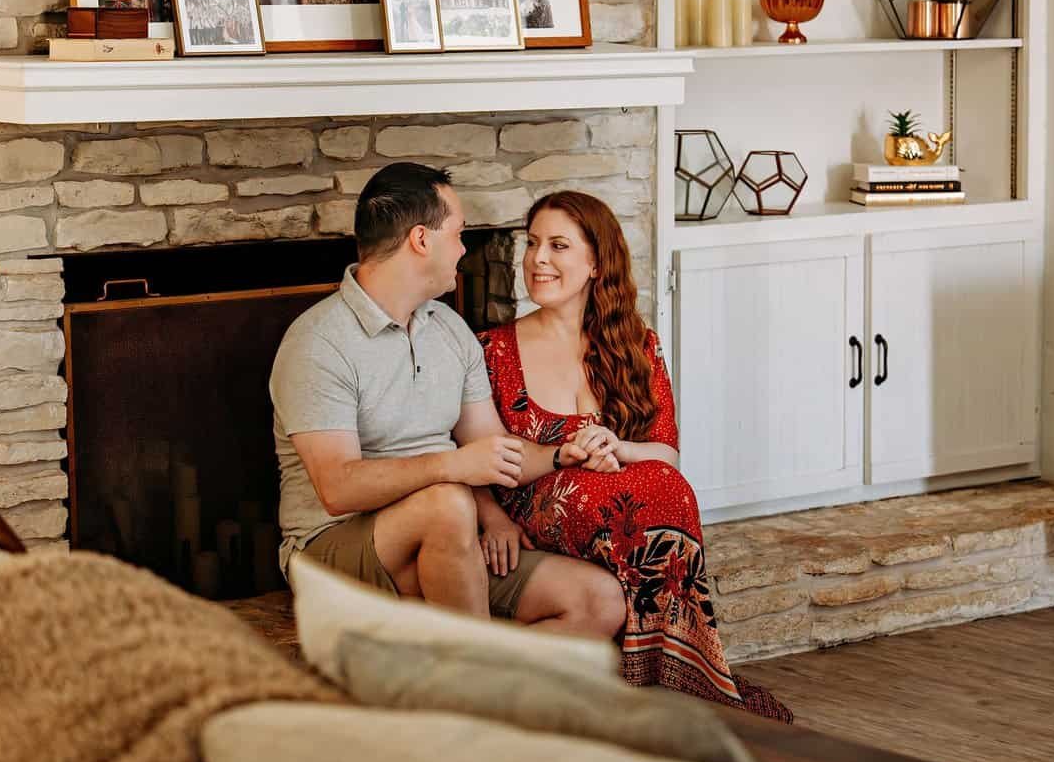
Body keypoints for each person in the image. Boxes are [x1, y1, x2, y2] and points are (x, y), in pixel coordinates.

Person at [270, 163, 625, 637]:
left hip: (447, 536)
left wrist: (562, 455)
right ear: (421, 239)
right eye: (457, 234)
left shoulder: (449, 329)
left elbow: (491, 447)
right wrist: (453, 467)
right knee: (447, 505)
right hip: (333, 549)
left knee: (599, 601)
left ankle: (475, 670)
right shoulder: (319, 342)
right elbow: (338, 489)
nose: (463, 248)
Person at [478, 191, 793, 721]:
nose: (537, 259)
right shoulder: (491, 350)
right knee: (639, 492)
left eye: (558, 245)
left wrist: (615, 447)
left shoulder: (637, 345)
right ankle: (675, 676)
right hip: (531, 506)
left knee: (666, 487)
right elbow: (467, 451)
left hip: (621, 497)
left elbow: (666, 454)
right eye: (532, 244)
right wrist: (492, 514)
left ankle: (661, 669)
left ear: (596, 263)